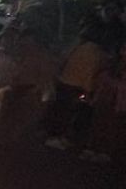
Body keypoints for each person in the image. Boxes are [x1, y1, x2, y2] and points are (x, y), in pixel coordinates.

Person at [44, 21, 114, 151]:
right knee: (67, 113)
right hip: (76, 85)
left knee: (60, 110)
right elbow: (89, 73)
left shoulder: (80, 46)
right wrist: (88, 92)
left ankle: (54, 136)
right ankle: (56, 137)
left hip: (65, 80)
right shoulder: (96, 53)